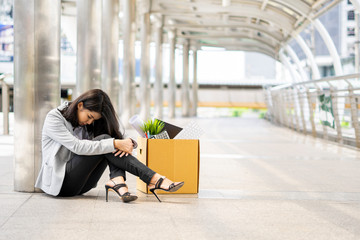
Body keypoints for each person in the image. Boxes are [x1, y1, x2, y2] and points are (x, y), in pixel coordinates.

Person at [35, 89, 184, 203]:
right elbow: (77, 147)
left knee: (108, 141)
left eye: (92, 120)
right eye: (89, 117)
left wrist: (127, 143)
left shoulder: (87, 123)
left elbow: (110, 140)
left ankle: (118, 180)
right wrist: (114, 143)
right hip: (61, 184)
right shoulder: (54, 118)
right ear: (80, 105)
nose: (89, 122)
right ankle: (154, 179)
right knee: (108, 142)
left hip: (83, 184)